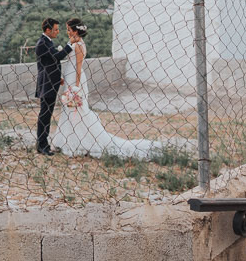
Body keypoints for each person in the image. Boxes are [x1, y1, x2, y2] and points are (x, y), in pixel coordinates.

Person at [51, 17, 161, 159]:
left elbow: (78, 67)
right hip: (69, 77)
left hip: (75, 79)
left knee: (77, 111)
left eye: (68, 29)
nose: (67, 32)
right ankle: (66, 139)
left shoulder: (78, 45)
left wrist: (76, 87)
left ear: (75, 30)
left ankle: (78, 141)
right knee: (69, 110)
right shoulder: (74, 43)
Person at [34, 17, 72, 155]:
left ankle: (42, 143)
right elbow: (56, 57)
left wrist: (58, 77)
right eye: (55, 29)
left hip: (51, 82)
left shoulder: (47, 42)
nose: (58, 32)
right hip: (46, 84)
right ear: (48, 30)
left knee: (47, 114)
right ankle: (42, 145)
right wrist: (70, 45)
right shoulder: (42, 43)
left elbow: (50, 63)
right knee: (45, 115)